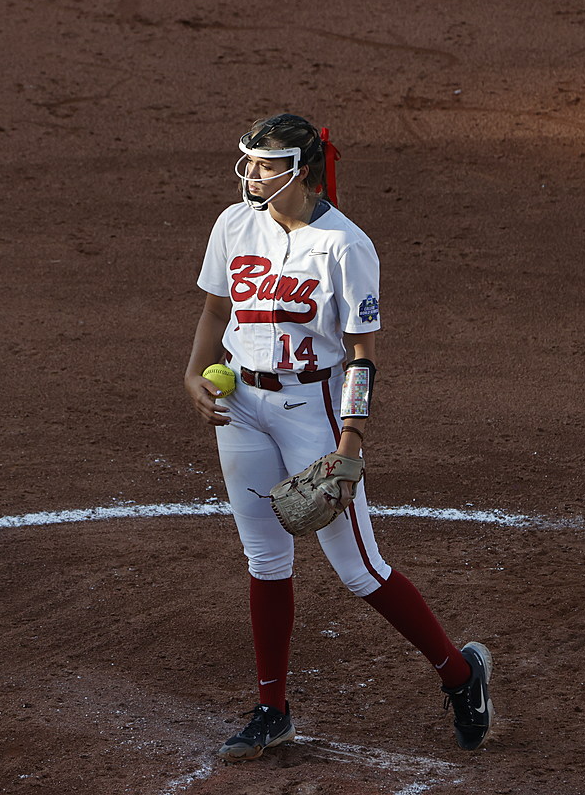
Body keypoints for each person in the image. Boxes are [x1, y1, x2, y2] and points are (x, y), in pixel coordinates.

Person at [183, 113, 494, 761]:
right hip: (240, 402)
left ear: (301, 170)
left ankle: (462, 677)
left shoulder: (346, 246)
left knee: (359, 570)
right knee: (265, 561)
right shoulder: (233, 223)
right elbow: (217, 308)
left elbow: (360, 354)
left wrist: (350, 441)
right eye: (248, 162)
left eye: (266, 165)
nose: (251, 174)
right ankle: (273, 711)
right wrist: (192, 371)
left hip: (312, 412)